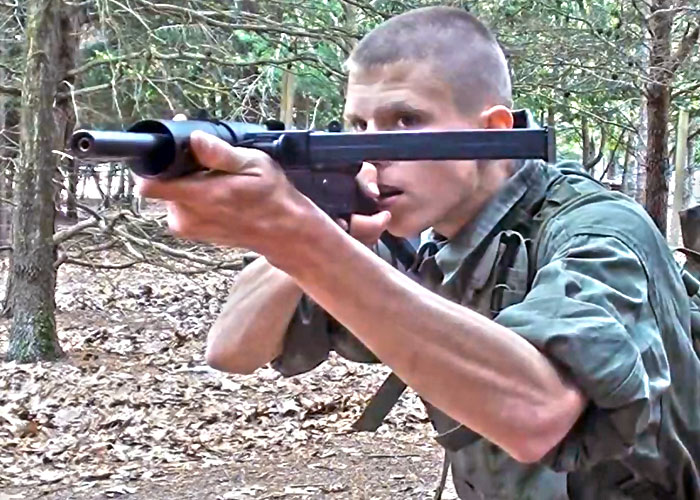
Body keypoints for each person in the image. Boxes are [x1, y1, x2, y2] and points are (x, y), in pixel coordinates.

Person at [137, 6, 700, 499]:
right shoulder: (411, 240)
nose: (372, 151)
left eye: (405, 121)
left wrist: (304, 238)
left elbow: (539, 414)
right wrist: (312, 230)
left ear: (491, 131)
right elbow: (233, 349)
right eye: (358, 125)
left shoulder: (597, 229)